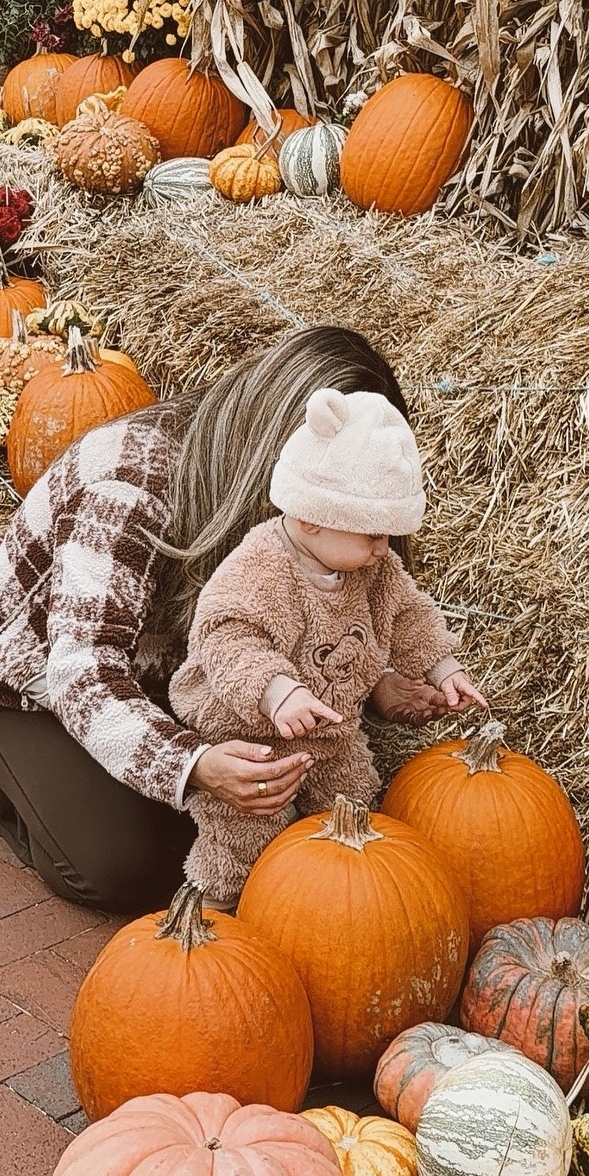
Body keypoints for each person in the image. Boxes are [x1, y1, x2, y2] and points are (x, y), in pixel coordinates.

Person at [0, 325, 459, 912]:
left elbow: (300, 622)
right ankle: (5, 779)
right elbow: (85, 676)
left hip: (179, 679)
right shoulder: (129, 490)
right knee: (128, 870)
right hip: (36, 689)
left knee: (261, 831)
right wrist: (192, 765)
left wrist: (373, 683)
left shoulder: (304, 519)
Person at [169, 386, 485, 903]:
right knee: (247, 837)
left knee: (357, 809)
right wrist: (276, 691)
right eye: (373, 535)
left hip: (331, 732)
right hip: (251, 739)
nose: (383, 549)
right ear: (314, 514)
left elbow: (408, 614)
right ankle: (215, 912)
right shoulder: (262, 568)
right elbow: (226, 637)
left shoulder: (371, 568)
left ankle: (333, 907)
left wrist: (441, 667)